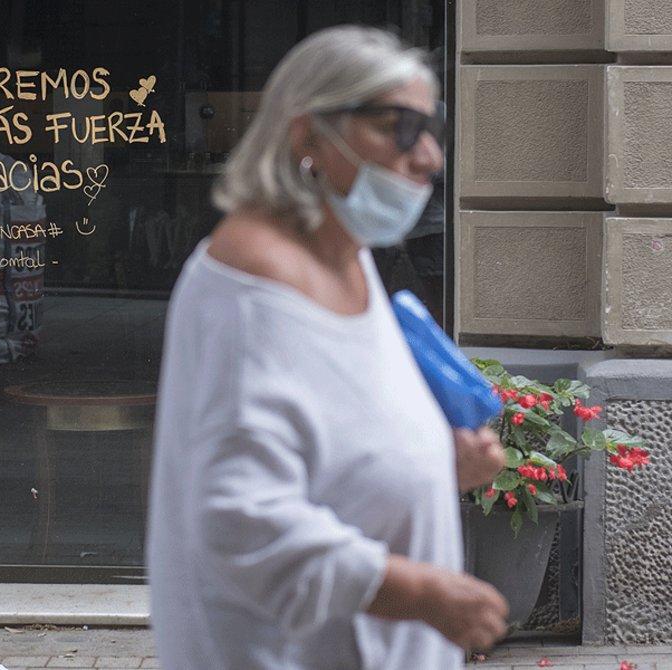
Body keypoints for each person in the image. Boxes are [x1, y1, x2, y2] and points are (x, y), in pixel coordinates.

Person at [145, 26, 508, 669]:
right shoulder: (254, 292)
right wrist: (420, 592)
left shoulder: (345, 257)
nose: (427, 157)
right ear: (307, 134)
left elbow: (332, 446)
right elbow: (241, 520)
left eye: (432, 130)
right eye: (398, 127)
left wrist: (432, 465)